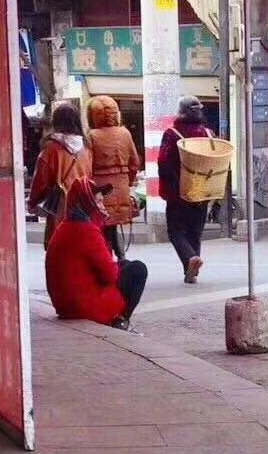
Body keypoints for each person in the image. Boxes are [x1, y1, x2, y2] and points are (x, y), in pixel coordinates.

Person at [45, 178, 148, 329]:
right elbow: (110, 275)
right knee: (138, 269)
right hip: (83, 307)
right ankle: (120, 320)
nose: (103, 206)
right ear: (88, 204)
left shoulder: (65, 227)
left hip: (65, 304)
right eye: (98, 202)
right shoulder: (86, 230)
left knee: (125, 265)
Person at [158, 94, 214, 283]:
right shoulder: (208, 134)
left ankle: (190, 260)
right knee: (194, 232)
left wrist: (167, 188)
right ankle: (191, 273)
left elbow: (163, 163)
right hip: (202, 191)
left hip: (178, 192)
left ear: (180, 112)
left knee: (176, 231)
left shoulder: (172, 134)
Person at [26, 103, 92, 248]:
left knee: (57, 250)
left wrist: (32, 203)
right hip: (82, 209)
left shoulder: (51, 149)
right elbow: (89, 179)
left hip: (59, 208)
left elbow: (40, 180)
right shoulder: (86, 149)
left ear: (56, 122)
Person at [87, 95, 141, 261]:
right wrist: (127, 182)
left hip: (100, 189)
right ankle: (121, 258)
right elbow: (135, 163)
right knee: (113, 226)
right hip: (122, 187)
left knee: (102, 226)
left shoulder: (92, 136)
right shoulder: (125, 134)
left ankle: (108, 261)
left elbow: (87, 166)